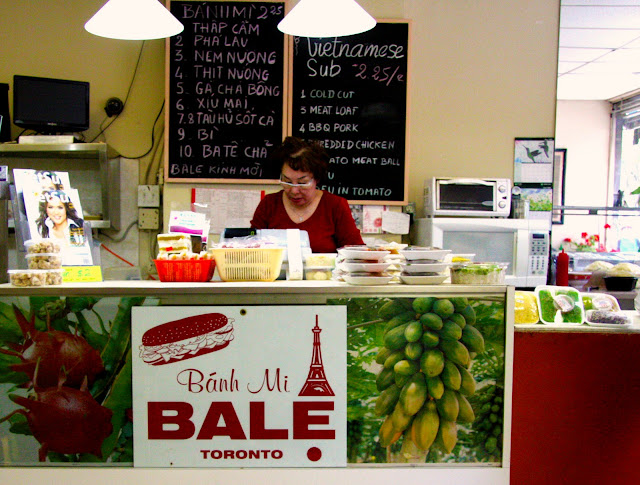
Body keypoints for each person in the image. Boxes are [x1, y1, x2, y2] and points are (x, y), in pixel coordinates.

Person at [251, 136, 364, 253]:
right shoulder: (269, 204)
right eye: (287, 182)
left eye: (302, 183)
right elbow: (250, 248)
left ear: (317, 178)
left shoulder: (335, 206)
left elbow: (356, 254)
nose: (294, 191)